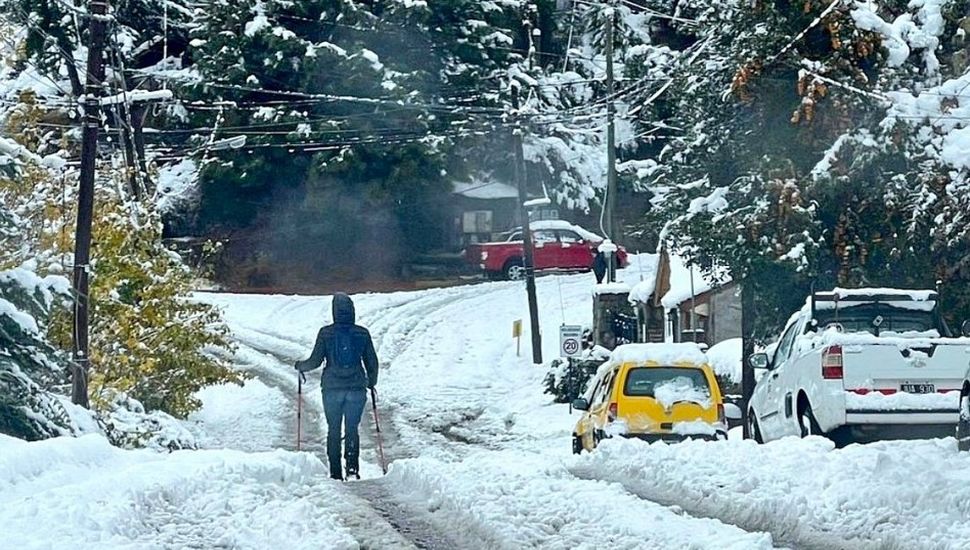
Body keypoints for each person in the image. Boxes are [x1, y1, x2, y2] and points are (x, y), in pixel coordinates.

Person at [295, 293, 379, 480]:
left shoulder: (326, 333)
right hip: (356, 388)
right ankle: (352, 468)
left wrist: (301, 365)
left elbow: (315, 361)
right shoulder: (362, 333)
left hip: (332, 388)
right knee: (352, 428)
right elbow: (372, 362)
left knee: (333, 429)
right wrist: (371, 382)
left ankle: (335, 472)